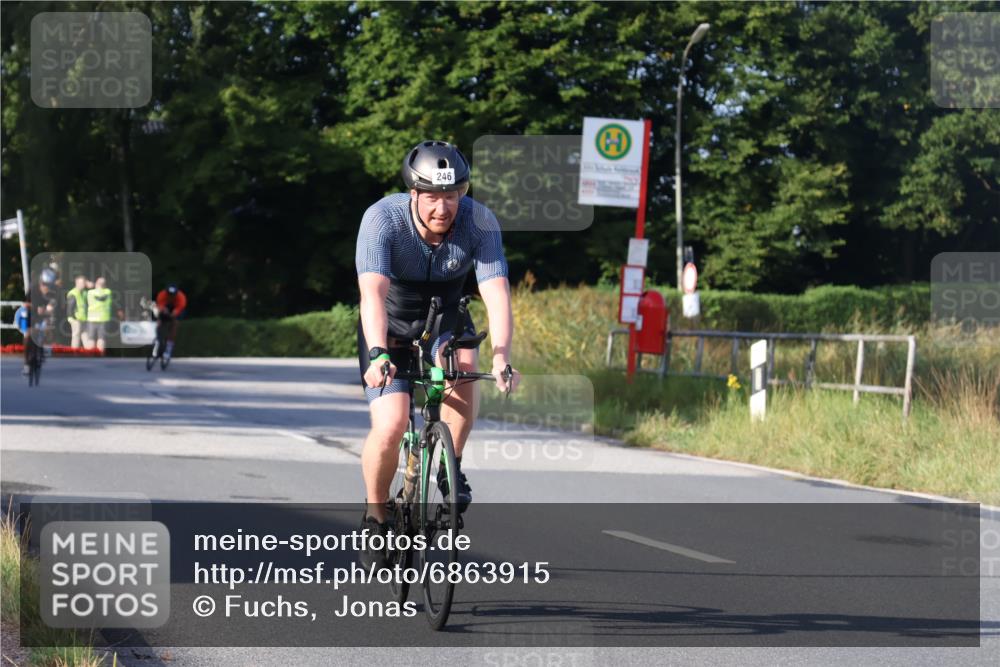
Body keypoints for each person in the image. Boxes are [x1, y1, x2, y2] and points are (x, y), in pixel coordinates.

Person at [355, 140, 520, 569]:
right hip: (391, 323)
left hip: (447, 316)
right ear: (413, 193)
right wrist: (378, 353)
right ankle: (376, 514)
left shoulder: (479, 222)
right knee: (391, 425)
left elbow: (496, 292)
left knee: (465, 364)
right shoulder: (382, 219)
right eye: (431, 196)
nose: (442, 208)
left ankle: (451, 463)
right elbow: (372, 295)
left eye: (451, 196)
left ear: (463, 192)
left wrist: (502, 356)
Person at [84, 277, 123, 352]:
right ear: (105, 285)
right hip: (103, 319)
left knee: (91, 338)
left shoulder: (90, 292)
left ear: (96, 284)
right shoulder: (108, 292)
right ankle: (100, 354)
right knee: (101, 338)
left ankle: (90, 355)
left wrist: (91, 285)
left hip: (92, 319)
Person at [154, 284, 187, 360]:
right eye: (169, 294)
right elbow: (159, 305)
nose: (171, 296)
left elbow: (179, 308)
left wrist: (173, 314)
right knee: (159, 321)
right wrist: (162, 312)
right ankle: (158, 340)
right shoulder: (161, 295)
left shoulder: (181, 297)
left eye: (173, 294)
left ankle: (169, 346)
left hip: (176, 308)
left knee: (175, 323)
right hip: (165, 307)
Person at [66, 275, 88, 348]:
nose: (83, 284)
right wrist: (72, 317)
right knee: (76, 335)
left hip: (83, 318)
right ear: (77, 283)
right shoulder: (73, 293)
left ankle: (89, 351)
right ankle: (74, 351)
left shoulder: (84, 292)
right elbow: (70, 307)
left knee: (85, 335)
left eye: (84, 283)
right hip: (76, 319)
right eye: (82, 283)